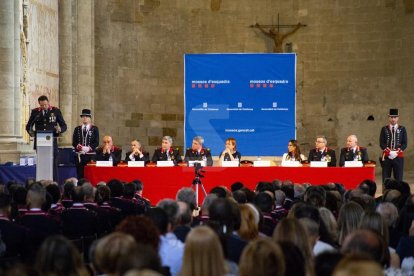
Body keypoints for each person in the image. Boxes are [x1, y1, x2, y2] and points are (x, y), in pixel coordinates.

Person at [25, 95, 67, 181]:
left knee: (53, 163)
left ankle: (54, 183)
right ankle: (41, 181)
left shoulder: (55, 111)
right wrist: (32, 134)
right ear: (39, 104)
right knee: (42, 162)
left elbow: (64, 125)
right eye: (42, 105)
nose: (44, 107)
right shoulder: (35, 112)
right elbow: (29, 126)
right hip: (40, 142)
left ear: (48, 102)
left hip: (52, 141)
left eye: (45, 105)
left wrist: (60, 129)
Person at [380, 108, 408, 182]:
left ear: (398, 118)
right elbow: (382, 143)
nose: (393, 119)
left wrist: (396, 152)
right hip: (387, 156)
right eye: (391, 117)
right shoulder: (384, 129)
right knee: (386, 178)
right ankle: (386, 193)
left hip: (398, 156)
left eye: (395, 117)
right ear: (389, 117)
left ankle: (398, 193)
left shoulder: (402, 129)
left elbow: (405, 143)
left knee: (399, 178)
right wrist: (389, 152)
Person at [72, 109, 99, 178]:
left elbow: (96, 142)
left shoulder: (94, 129)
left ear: (90, 118)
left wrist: (88, 148)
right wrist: (80, 147)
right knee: (80, 174)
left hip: (90, 155)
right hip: (80, 155)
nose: (85, 118)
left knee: (90, 174)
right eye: (83, 116)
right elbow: (74, 142)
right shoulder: (77, 129)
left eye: (86, 116)